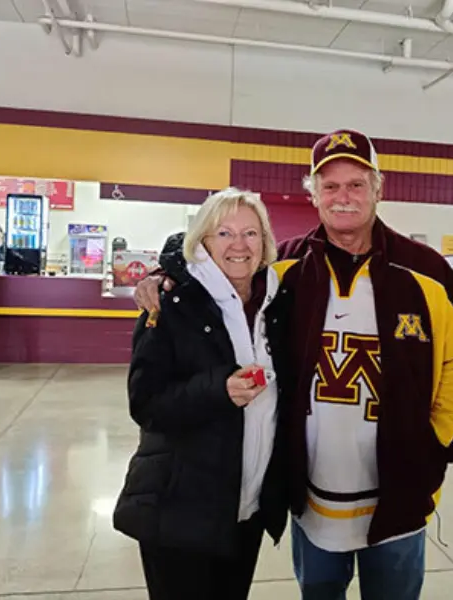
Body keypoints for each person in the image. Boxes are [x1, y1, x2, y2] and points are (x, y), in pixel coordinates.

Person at [135, 129, 453, 600]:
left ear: (378, 189)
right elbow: (218, 268)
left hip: (401, 492)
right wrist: (166, 274)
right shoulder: (286, 268)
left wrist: (436, 444)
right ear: (314, 195)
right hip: (313, 499)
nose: (343, 197)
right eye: (330, 186)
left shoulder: (425, 270)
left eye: (356, 184)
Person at [113, 188, 292, 600]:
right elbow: (146, 403)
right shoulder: (172, 303)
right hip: (181, 508)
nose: (239, 245)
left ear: (265, 241)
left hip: (244, 508)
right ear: (202, 242)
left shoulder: (277, 302)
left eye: (251, 233)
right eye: (224, 233)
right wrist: (219, 390)